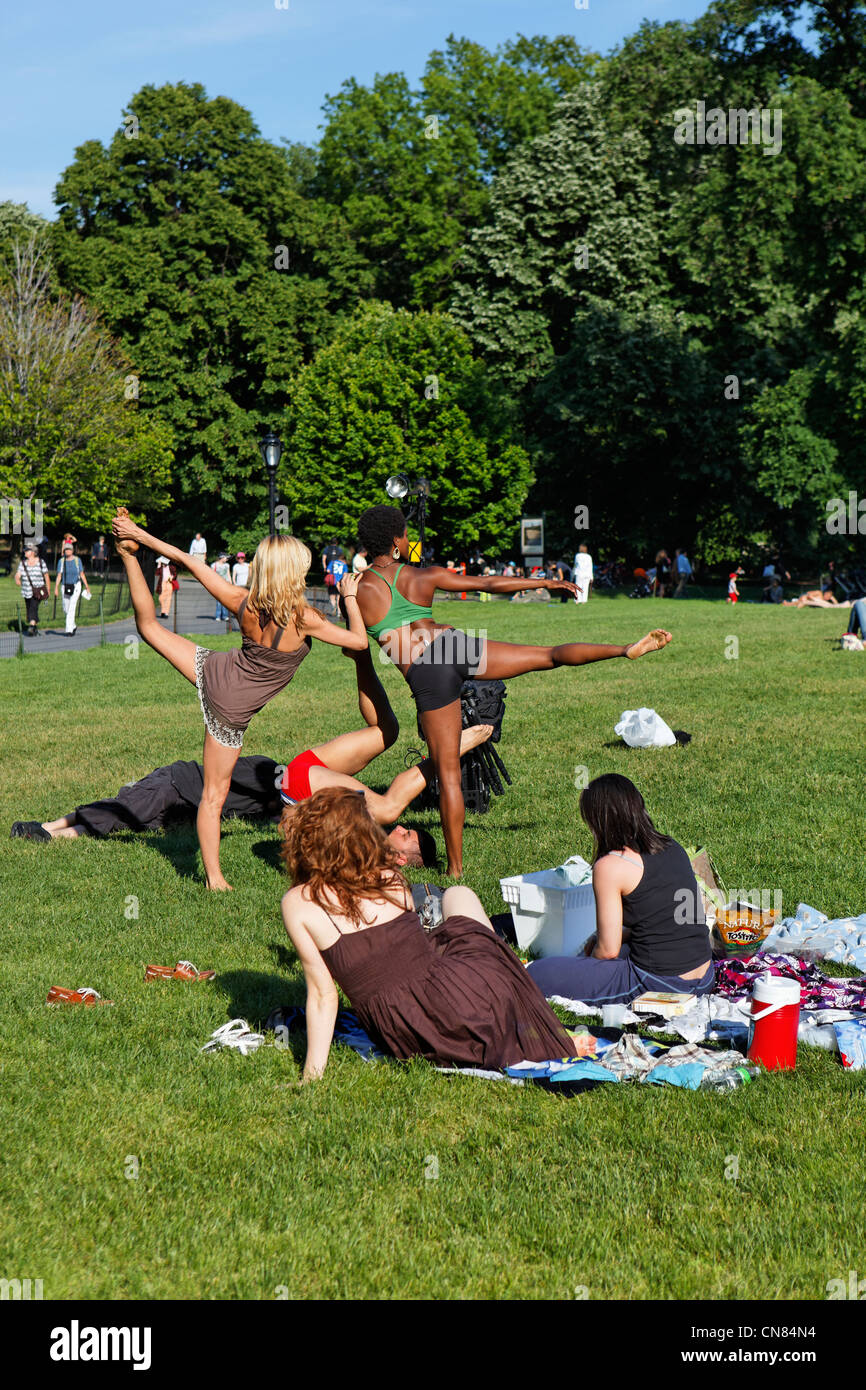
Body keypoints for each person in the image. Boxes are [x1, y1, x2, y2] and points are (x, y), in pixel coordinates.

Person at [353, 505, 672, 877]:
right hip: (454, 645)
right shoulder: (422, 575)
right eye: (406, 535)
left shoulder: (358, 591)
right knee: (548, 656)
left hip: (425, 672)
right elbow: (487, 584)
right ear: (395, 541)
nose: (409, 540)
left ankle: (455, 871)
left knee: (449, 774)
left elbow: (356, 648)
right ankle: (624, 650)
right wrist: (545, 583)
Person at [111, 507, 368, 890]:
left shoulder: (244, 601)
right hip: (227, 712)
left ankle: (127, 556)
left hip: (213, 670)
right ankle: (214, 880)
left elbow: (187, 559)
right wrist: (351, 598)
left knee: (149, 627)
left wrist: (138, 537)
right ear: (293, 572)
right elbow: (360, 642)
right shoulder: (305, 618)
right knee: (214, 797)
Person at [280, 786, 579, 1080]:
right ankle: (508, 975)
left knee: (446, 935)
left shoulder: (299, 903)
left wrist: (312, 1076)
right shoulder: (389, 877)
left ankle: (500, 975)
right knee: (458, 895)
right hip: (469, 1002)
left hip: (405, 1031)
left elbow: (323, 995)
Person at [279, 645, 492, 859]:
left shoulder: (366, 853)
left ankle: (455, 748)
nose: (400, 827)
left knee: (389, 809)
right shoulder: (368, 838)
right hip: (304, 771)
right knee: (386, 731)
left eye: (406, 835)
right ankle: (361, 656)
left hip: (299, 787)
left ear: (401, 858)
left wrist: (450, 751)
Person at [527, 774, 714, 1005]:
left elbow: (607, 951)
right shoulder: (672, 846)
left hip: (660, 984)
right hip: (705, 977)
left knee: (536, 972)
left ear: (599, 821)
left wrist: (589, 966)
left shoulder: (610, 866)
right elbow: (671, 922)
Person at [14, 543, 50, 637]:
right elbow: (18, 574)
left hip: (38, 591)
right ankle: (34, 626)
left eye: (27, 550)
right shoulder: (23, 563)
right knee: (29, 608)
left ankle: (31, 626)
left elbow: (46, 577)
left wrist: (48, 589)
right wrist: (17, 579)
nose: (25, 551)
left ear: (33, 552)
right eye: (25, 550)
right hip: (26, 591)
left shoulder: (41, 563)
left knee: (33, 607)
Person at [55, 544, 91, 635]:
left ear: (72, 551)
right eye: (66, 549)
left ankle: (69, 630)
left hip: (76, 585)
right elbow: (59, 575)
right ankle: (73, 625)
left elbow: (82, 573)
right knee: (66, 608)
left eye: (69, 549)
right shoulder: (61, 561)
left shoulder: (77, 560)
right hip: (65, 585)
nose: (67, 551)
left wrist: (86, 586)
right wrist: (56, 587)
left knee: (71, 607)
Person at [154, 554, 176, 618]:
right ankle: (163, 611)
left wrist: (171, 577)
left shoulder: (171, 567)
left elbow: (175, 575)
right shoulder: (160, 568)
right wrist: (159, 565)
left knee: (168, 598)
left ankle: (166, 613)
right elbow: (156, 574)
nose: (163, 564)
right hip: (162, 584)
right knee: (161, 598)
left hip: (169, 583)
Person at [212, 552, 232, 621]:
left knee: (225, 601)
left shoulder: (227, 565)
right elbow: (212, 575)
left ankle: (225, 615)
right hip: (218, 585)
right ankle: (218, 616)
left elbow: (228, 574)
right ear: (222, 557)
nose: (227, 559)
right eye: (226, 558)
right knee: (219, 601)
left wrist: (230, 582)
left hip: (226, 584)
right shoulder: (214, 565)